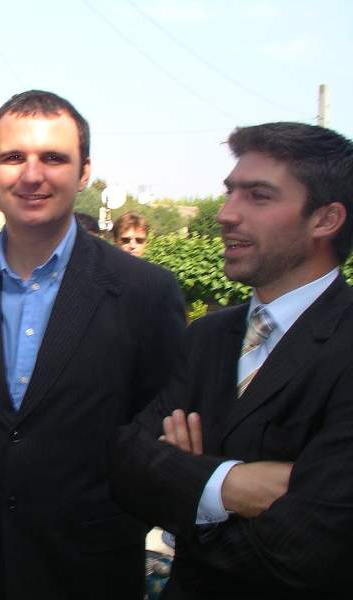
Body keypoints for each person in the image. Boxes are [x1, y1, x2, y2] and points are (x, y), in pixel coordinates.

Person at [0, 90, 185, 600]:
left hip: (89, 571)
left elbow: (154, 435)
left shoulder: (146, 294)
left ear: (84, 172)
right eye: (13, 157)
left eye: (54, 158)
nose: (32, 174)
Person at [110, 122, 353, 600]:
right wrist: (227, 485)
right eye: (229, 192)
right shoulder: (208, 336)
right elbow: (126, 465)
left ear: (325, 219)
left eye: (258, 196)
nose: (225, 214)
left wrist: (182, 485)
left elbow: (306, 553)